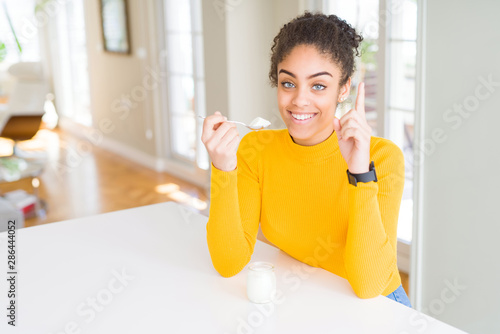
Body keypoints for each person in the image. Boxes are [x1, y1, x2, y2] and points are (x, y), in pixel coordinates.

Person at [201, 11, 411, 308]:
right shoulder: (254, 149)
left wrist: (360, 173)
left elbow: (369, 286)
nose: (299, 100)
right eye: (289, 83)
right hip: (306, 299)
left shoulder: (382, 158)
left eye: (318, 86)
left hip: (379, 308)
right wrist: (223, 169)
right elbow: (228, 263)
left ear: (344, 89)